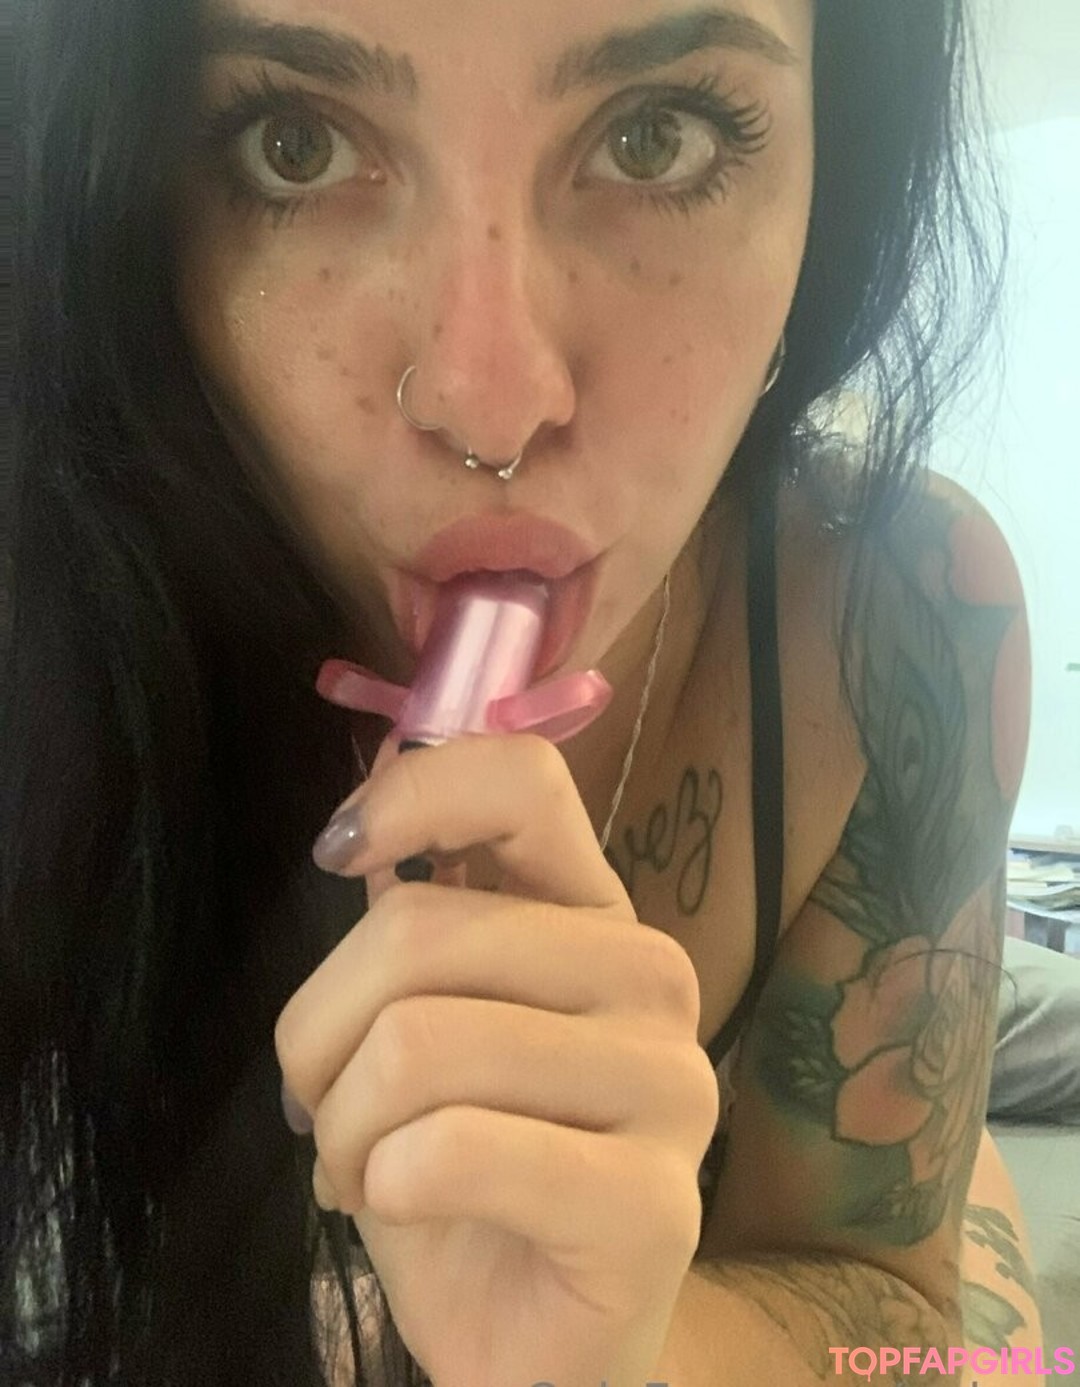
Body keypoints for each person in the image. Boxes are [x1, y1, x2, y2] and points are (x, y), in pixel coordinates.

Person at [3, 0, 1046, 1383]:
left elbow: (895, 1301)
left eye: (655, 136)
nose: (490, 406)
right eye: (296, 144)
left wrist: (631, 1352)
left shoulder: (894, 617)